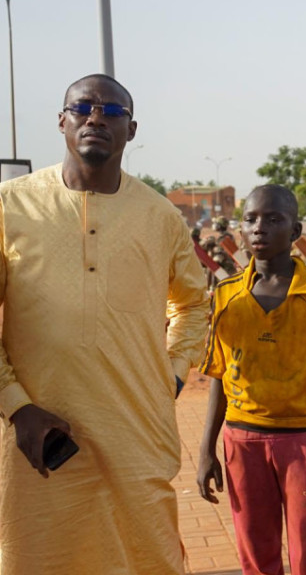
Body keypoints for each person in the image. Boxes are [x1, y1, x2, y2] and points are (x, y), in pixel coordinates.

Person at [0, 74, 209, 573]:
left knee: (146, 558)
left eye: (111, 111)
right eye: (82, 107)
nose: (96, 117)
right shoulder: (11, 206)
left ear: (131, 130)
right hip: (37, 438)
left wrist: (171, 375)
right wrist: (16, 406)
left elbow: (194, 304)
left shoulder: (159, 216)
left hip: (137, 435)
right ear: (62, 120)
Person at [196, 184, 306, 575]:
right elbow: (219, 373)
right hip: (242, 441)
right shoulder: (227, 294)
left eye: (273, 219)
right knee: (255, 551)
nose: (259, 228)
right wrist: (206, 449)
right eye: (250, 219)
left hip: (302, 442)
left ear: (296, 230)